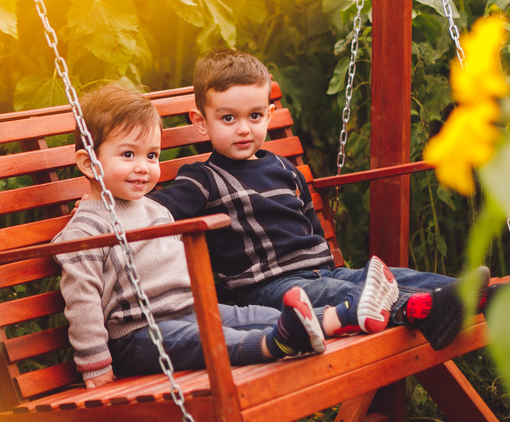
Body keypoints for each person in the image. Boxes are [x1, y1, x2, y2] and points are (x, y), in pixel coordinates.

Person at [150, 49, 510, 351]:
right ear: (201, 122)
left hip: (321, 271)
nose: (244, 128)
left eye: (255, 116)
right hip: (269, 289)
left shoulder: (283, 168)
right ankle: (424, 311)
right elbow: (154, 214)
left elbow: (308, 222)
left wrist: (327, 263)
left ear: (269, 114)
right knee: (351, 292)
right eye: (228, 118)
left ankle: (485, 297)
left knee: (390, 276)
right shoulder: (201, 179)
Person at [54, 83, 327, 389]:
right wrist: (96, 366)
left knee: (255, 314)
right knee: (207, 338)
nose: (143, 167)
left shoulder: (155, 211)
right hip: (141, 336)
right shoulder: (85, 231)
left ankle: (331, 320)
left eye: (152, 155)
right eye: (129, 154)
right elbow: (82, 302)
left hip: (191, 312)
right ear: (89, 163)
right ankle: (274, 344)